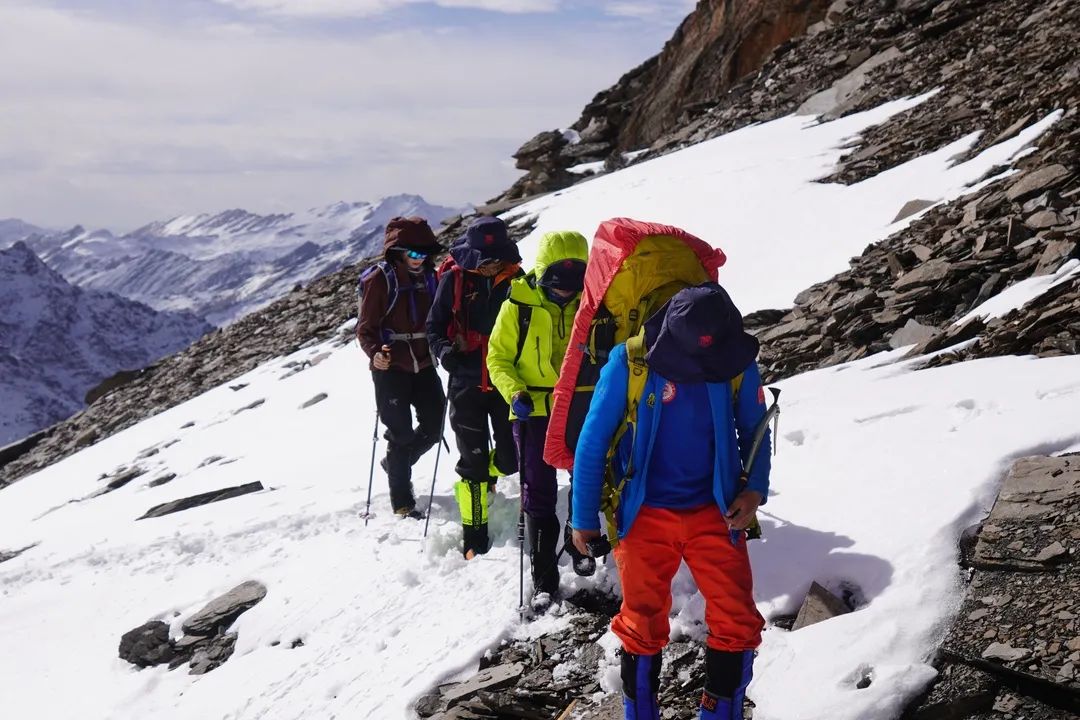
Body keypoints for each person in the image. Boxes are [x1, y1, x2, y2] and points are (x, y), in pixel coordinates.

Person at [570, 283, 771, 720]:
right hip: (643, 513)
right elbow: (592, 440)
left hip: (717, 511)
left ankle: (720, 713)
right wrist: (582, 517)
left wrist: (754, 489)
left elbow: (756, 430)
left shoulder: (736, 361)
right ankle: (640, 713)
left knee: (736, 619)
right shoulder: (631, 361)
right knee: (641, 621)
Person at [487, 230, 594, 608]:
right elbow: (497, 357)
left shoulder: (593, 302)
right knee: (537, 491)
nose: (565, 291)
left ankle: (580, 541)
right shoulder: (518, 304)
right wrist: (514, 391)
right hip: (531, 408)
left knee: (585, 478)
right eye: (557, 283)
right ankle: (544, 578)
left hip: (580, 404)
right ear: (542, 273)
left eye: (572, 283)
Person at [427, 216, 522, 559]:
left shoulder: (517, 280)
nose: (489, 266)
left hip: (505, 381)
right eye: (483, 259)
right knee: (472, 462)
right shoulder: (453, 280)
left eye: (495, 259)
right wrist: (444, 352)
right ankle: (474, 535)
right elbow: (434, 327)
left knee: (512, 457)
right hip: (466, 381)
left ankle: (493, 475)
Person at [357, 216, 446, 520]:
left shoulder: (431, 277)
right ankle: (402, 501)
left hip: (423, 363)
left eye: (424, 254)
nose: (420, 259)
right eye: (414, 254)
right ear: (398, 252)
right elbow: (365, 329)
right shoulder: (379, 280)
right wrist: (374, 355)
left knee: (434, 426)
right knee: (400, 433)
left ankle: (397, 463)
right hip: (390, 366)